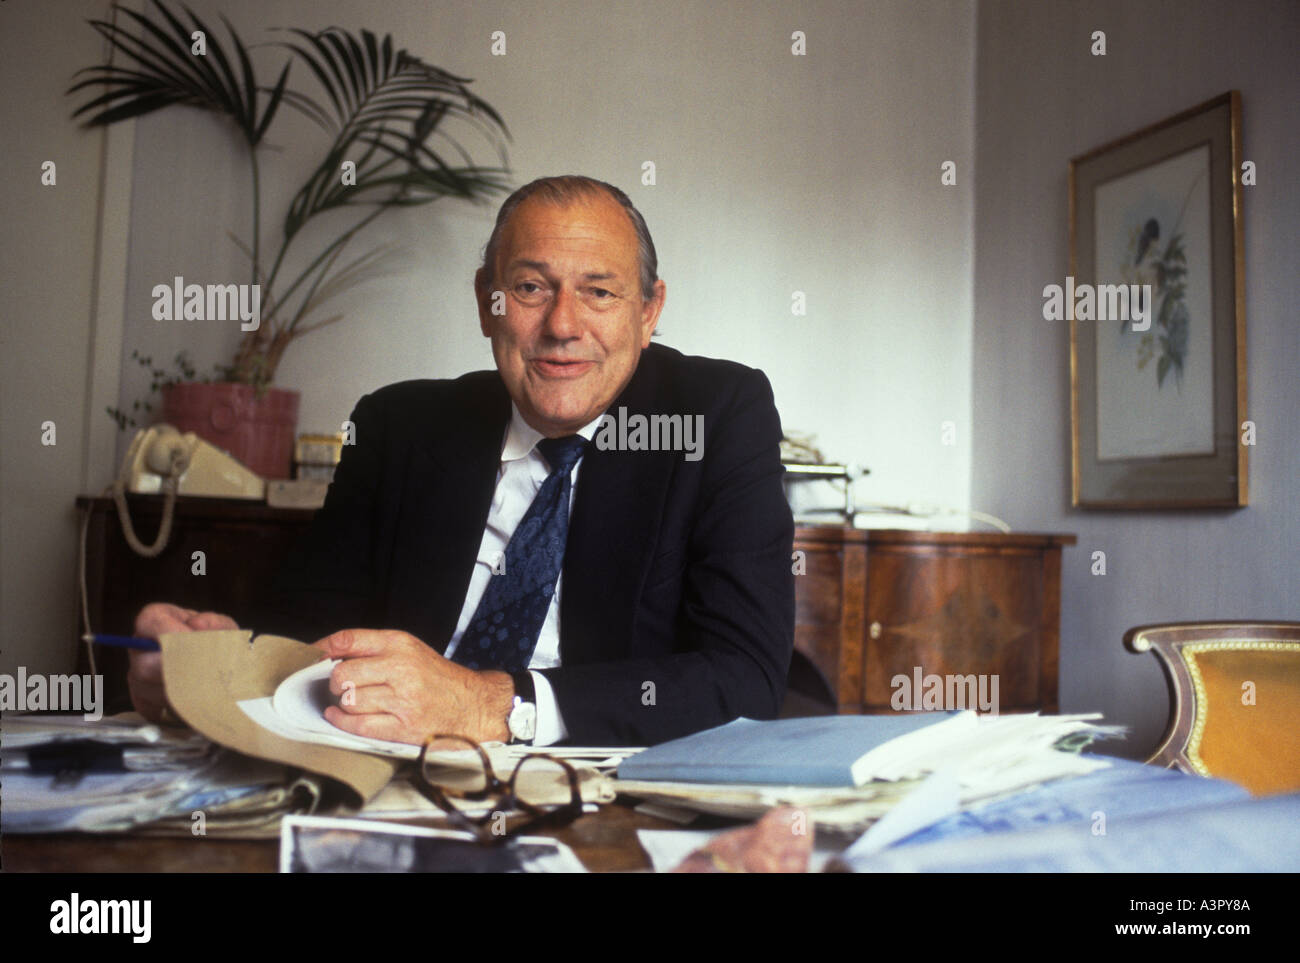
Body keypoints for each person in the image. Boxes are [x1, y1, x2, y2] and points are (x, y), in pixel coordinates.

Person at [129, 175, 794, 747]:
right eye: (531, 286)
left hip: (595, 785)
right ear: (487, 302)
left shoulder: (714, 417)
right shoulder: (399, 426)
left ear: (649, 313)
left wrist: (488, 705)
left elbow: (746, 677)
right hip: (388, 773)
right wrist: (217, 671)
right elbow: (317, 637)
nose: (563, 324)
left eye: (599, 292)